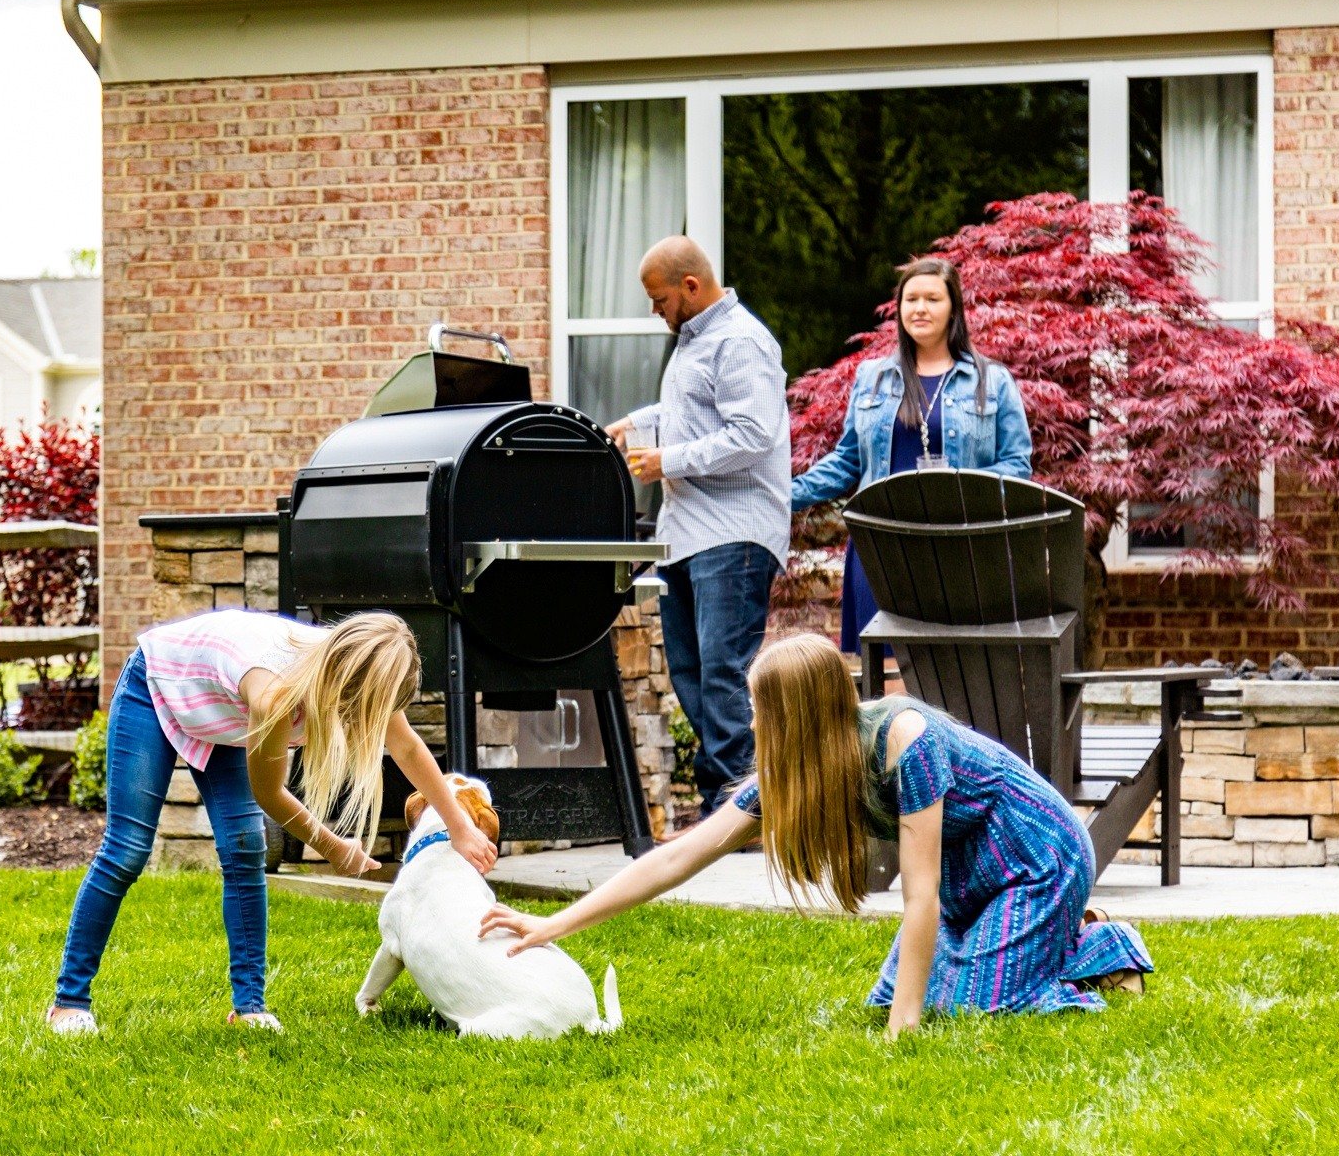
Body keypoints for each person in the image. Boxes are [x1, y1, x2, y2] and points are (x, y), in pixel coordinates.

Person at [479, 633, 1151, 1037]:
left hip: (1038, 853)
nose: (753, 722)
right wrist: (553, 925)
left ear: (794, 713)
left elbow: (919, 896)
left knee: (976, 1010)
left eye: (760, 710)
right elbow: (681, 855)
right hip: (973, 866)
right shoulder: (801, 768)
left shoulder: (904, 742)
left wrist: (905, 1027)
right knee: (902, 993)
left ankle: (1099, 944)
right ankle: (1051, 939)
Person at [48, 609, 497, 1034]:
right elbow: (269, 793)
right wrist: (332, 846)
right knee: (128, 849)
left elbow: (409, 749)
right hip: (158, 685)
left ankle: (249, 1008)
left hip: (224, 714)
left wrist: (460, 827)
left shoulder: (363, 669)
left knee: (244, 847)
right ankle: (69, 1003)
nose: (368, 724)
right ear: (346, 683)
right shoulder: (276, 694)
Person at [604, 236, 790, 816]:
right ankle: (724, 802)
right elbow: (691, 412)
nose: (654, 311)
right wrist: (634, 424)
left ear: (690, 286)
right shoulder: (694, 343)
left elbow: (752, 435)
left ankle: (743, 814)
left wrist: (667, 460)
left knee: (724, 677)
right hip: (688, 534)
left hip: (733, 535)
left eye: (659, 300)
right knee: (690, 674)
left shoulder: (741, 341)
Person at [791, 258, 1032, 659]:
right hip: (880, 543)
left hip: (958, 545)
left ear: (954, 308)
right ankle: (894, 726)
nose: (920, 308)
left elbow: (1017, 465)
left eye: (932, 299)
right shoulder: (873, 378)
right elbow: (847, 461)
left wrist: (953, 488)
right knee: (883, 669)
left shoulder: (992, 381)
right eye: (911, 298)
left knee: (951, 669)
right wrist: (786, 495)